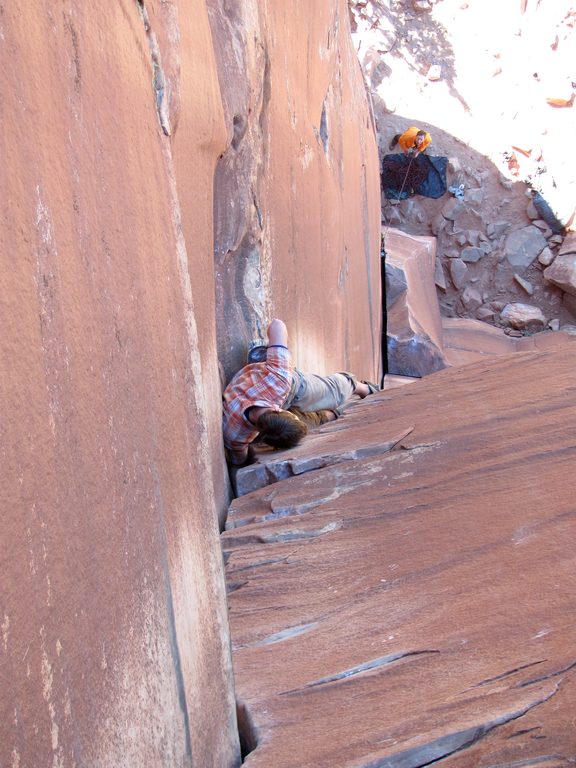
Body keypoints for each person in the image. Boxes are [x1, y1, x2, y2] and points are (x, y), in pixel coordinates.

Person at [222, 319, 378, 466]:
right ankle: (267, 356)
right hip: (267, 395)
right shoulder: (235, 435)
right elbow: (238, 458)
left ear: (278, 410)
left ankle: (362, 388)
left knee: (335, 391)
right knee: (306, 426)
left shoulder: (278, 382)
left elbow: (277, 325)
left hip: (290, 389)